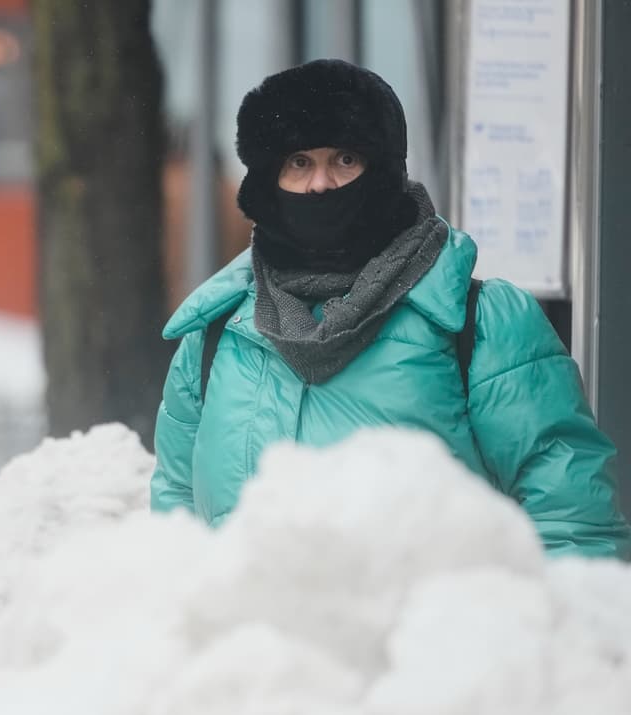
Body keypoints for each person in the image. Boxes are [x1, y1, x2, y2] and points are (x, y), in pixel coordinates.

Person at [148, 59, 630, 559]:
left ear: (386, 169)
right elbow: (175, 526)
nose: (319, 184)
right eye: (298, 163)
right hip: (256, 638)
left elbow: (572, 524)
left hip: (435, 635)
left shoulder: (479, 322)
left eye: (345, 160)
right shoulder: (217, 332)